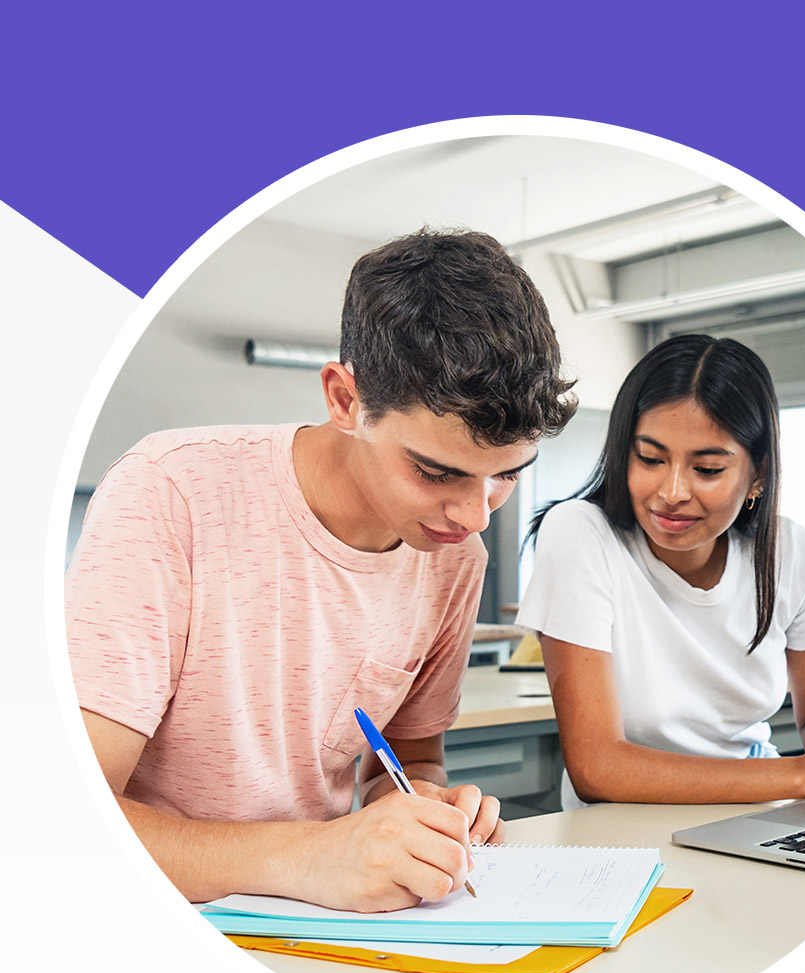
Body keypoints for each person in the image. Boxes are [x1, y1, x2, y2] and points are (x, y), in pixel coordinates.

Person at [66, 228, 576, 911]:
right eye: (435, 471)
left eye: (507, 476)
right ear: (345, 399)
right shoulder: (170, 492)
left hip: (333, 929)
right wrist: (313, 856)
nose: (475, 515)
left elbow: (409, 760)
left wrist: (425, 811)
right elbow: (71, 818)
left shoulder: (455, 557)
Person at [516, 334, 805, 810]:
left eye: (707, 469)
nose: (672, 492)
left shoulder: (793, 552)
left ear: (757, 475)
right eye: (650, 459)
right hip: (620, 834)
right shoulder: (580, 532)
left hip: (761, 808)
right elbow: (598, 768)